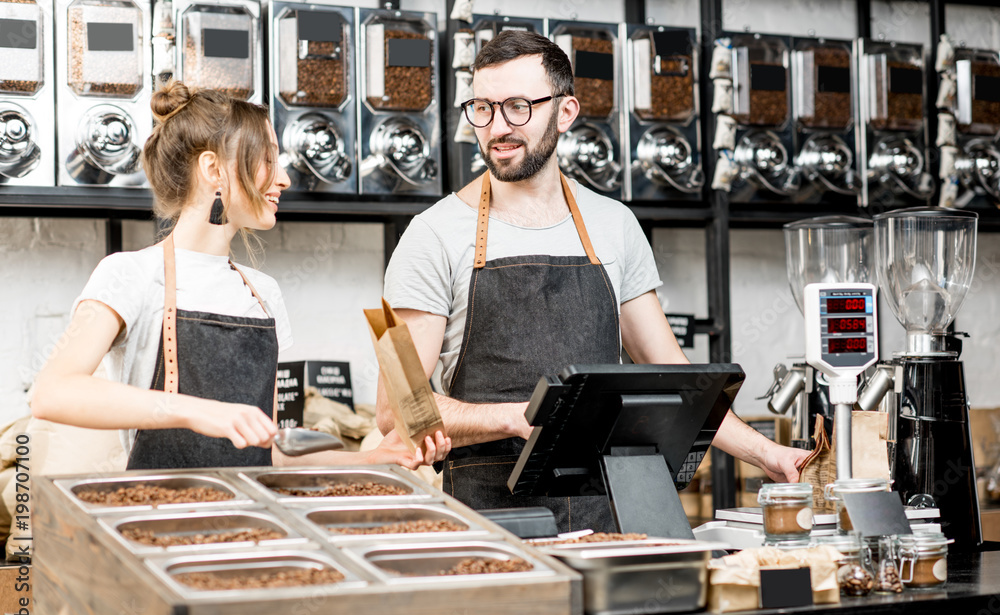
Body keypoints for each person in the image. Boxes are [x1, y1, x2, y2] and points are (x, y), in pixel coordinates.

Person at [377, 31, 808, 532]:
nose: (497, 127)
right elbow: (396, 410)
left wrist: (767, 454)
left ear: (565, 112)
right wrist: (513, 417)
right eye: (482, 108)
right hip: (495, 526)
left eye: (518, 106)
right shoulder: (431, 235)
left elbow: (671, 371)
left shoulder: (614, 225)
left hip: (610, 517)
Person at [31, 81, 450, 470]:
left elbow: (271, 456)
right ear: (213, 170)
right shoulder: (129, 274)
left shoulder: (263, 294)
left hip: (250, 521)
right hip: (161, 517)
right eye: (267, 159)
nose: (284, 178)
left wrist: (377, 457)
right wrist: (198, 410)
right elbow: (53, 392)